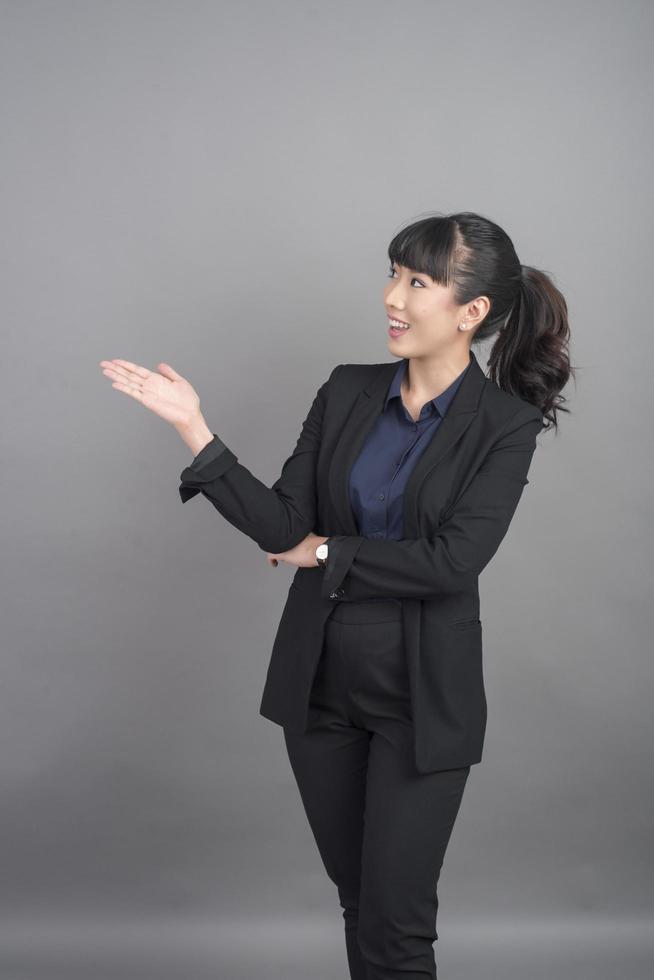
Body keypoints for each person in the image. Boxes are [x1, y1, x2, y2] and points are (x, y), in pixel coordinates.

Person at [99, 211, 573, 980]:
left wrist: (324, 551)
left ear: (471, 311)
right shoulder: (348, 391)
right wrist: (197, 432)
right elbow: (281, 523)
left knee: (397, 928)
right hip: (319, 692)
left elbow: (453, 561)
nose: (393, 296)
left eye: (418, 281)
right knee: (358, 904)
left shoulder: (502, 426)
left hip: (421, 703)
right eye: (393, 273)